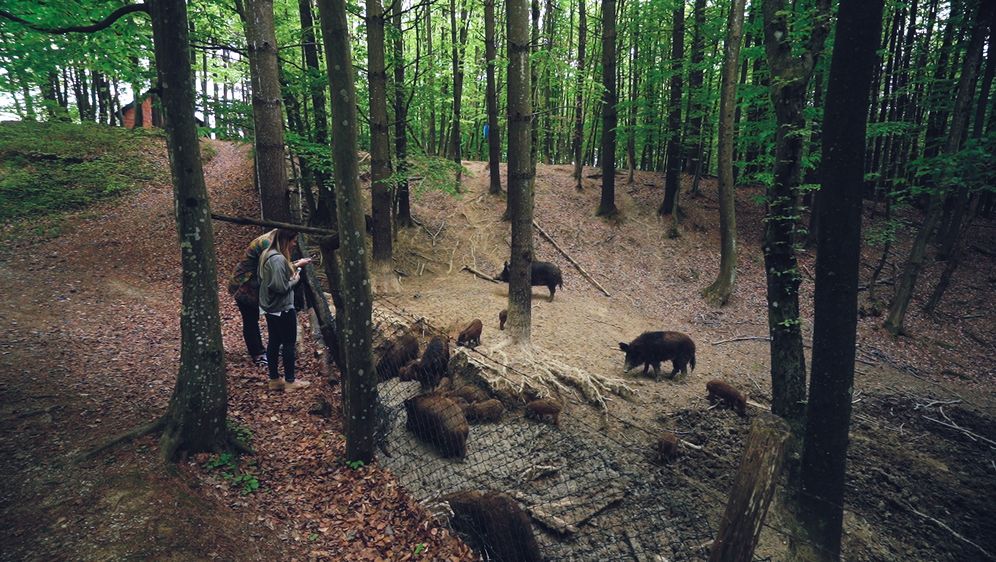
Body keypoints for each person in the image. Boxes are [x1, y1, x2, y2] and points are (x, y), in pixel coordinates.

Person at [258, 229, 313, 391]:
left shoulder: (267, 254)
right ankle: (290, 381)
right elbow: (281, 287)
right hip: (281, 308)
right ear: (285, 241)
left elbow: (277, 276)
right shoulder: (277, 259)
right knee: (288, 343)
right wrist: (295, 279)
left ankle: (274, 379)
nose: (295, 244)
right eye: (293, 241)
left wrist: (296, 264)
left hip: (270, 307)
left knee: (274, 341)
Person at [227, 229, 277, 367]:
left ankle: (272, 347)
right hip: (245, 285)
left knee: (271, 315)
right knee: (250, 319)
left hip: (256, 286)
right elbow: (269, 271)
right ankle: (258, 353)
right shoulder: (267, 243)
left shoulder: (275, 242)